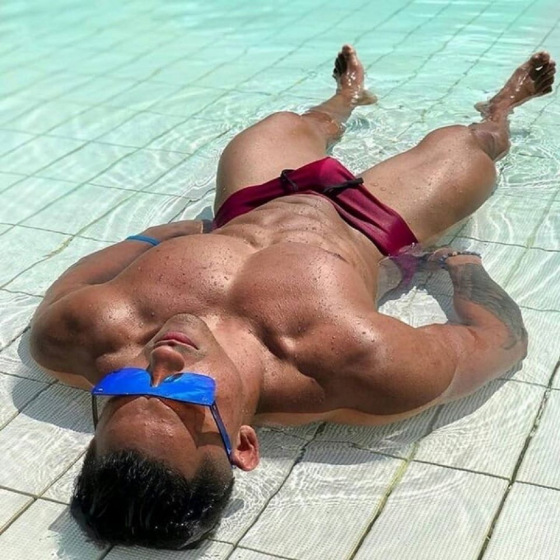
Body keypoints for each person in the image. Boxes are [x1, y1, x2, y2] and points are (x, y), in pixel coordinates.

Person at [29, 45, 554, 549]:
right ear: (243, 443)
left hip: (248, 204)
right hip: (373, 224)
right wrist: (466, 269)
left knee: (283, 124)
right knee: (471, 146)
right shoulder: (360, 367)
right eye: (185, 393)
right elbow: (500, 339)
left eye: (124, 387)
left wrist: (156, 237)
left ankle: (345, 100)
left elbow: (73, 282)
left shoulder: (79, 334)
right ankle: (502, 107)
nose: (161, 359)